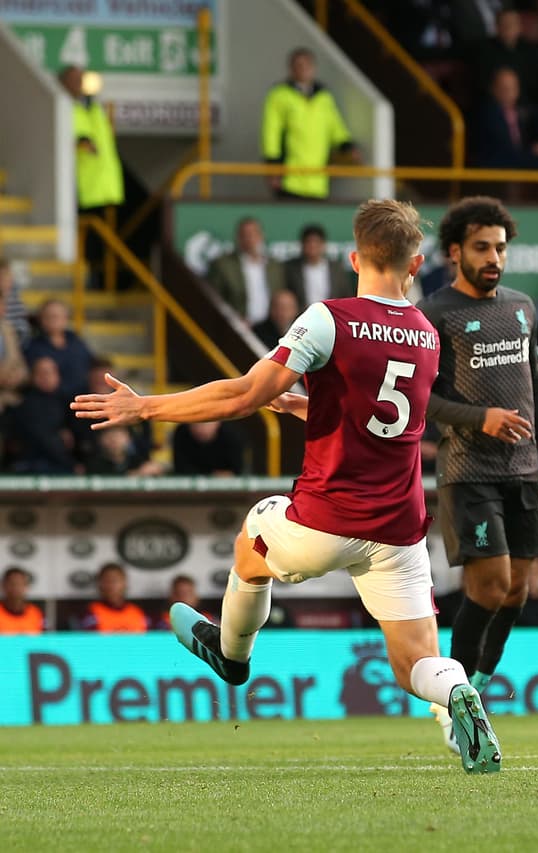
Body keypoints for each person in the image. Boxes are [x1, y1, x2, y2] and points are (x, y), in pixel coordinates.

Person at [71, 199, 502, 774]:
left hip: (326, 519)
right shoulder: (426, 334)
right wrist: (307, 406)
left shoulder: (329, 318)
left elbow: (243, 395)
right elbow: (384, 416)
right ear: (416, 264)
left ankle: (231, 655)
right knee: (415, 663)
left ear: (354, 259)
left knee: (252, 541)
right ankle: (457, 693)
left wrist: (145, 406)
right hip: (399, 528)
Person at [421, 196, 538, 735]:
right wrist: (479, 418)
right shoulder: (433, 314)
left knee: (516, 591)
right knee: (489, 587)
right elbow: (421, 400)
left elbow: (535, 387)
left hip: (523, 469)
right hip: (469, 470)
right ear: (454, 252)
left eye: (501, 249)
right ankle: (454, 707)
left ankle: (475, 691)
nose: (494, 258)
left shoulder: (522, 306)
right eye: (482, 248)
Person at [261, 47, 358, 200]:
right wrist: (273, 166)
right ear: (291, 69)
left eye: (307, 65)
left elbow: (335, 126)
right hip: (289, 180)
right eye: (299, 65)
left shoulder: (323, 96)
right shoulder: (279, 94)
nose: (303, 69)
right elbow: (271, 133)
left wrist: (347, 146)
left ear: (313, 68)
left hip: (318, 181)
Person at [60, 66, 124, 227]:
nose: (79, 83)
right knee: (82, 230)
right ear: (63, 83)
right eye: (74, 79)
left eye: (80, 79)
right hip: (78, 185)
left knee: (102, 230)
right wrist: (81, 141)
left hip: (104, 183)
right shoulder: (61, 106)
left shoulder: (94, 107)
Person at [206, 217, 287, 325]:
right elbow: (215, 299)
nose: (250, 238)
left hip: (271, 327)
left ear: (261, 236)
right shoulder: (223, 265)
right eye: (245, 234)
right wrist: (233, 318)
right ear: (238, 237)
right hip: (238, 326)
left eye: (254, 233)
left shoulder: (274, 265)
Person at [24, 299, 94, 398]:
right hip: (50, 398)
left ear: (66, 318)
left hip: (82, 395)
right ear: (41, 320)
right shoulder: (33, 346)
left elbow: (92, 363)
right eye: (48, 316)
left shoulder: (75, 340)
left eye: (56, 316)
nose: (53, 320)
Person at [285, 224, 355, 308]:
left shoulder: (336, 268)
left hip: (332, 313)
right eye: (308, 242)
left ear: (323, 244)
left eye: (316, 242)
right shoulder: (292, 268)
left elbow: (346, 295)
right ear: (302, 245)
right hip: (302, 314)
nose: (312, 246)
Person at [77, 562, 148, 632]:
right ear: (100, 584)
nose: (111, 586)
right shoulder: (90, 612)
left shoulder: (137, 612)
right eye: (107, 581)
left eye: (115, 580)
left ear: (124, 583)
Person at [171, 421, 245, 476]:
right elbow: (180, 468)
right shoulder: (181, 434)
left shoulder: (232, 435)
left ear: (218, 422)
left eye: (205, 423)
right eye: (196, 424)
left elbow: (237, 471)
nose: (200, 429)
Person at [0, 567, 43, 634]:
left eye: (20, 584)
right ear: (3, 585)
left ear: (26, 586)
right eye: (12, 583)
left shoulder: (35, 613)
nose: (16, 588)